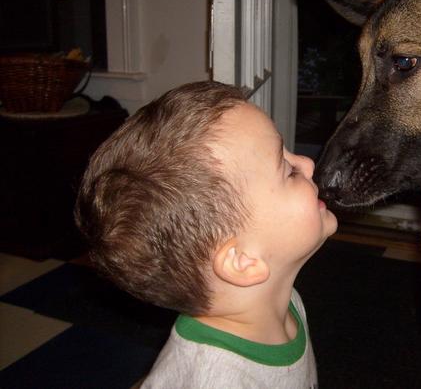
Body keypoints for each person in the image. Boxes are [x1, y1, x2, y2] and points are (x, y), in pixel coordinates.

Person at [75, 81, 338, 388]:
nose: (307, 164)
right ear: (242, 260)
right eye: (288, 170)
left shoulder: (280, 300)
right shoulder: (216, 379)